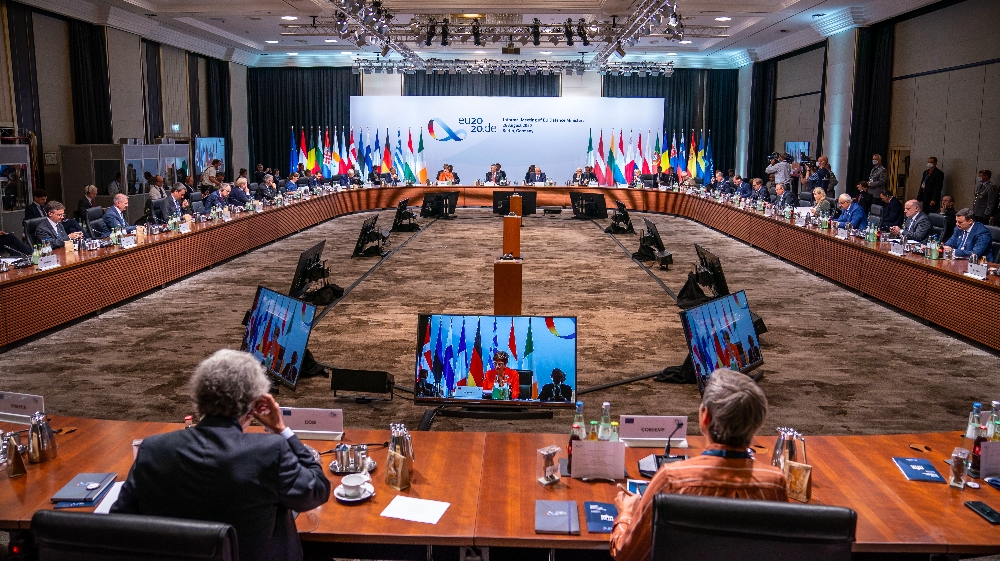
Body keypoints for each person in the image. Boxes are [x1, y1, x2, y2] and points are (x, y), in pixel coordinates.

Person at [112, 350, 330, 561]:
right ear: (254, 405)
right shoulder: (270, 451)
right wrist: (282, 430)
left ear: (198, 397)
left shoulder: (152, 449)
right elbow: (318, 490)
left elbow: (118, 524)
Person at [610, 369, 786, 561]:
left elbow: (626, 554)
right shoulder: (775, 483)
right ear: (759, 423)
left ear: (705, 417)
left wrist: (626, 513)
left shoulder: (672, 479)